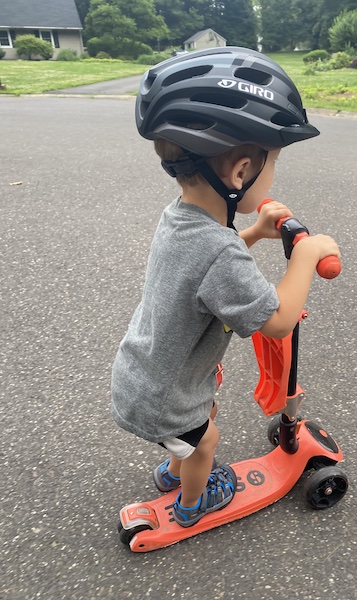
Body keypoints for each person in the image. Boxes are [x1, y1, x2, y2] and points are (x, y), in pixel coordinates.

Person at [111, 47, 340, 528]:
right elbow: (278, 322)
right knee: (205, 443)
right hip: (167, 395)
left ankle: (172, 473)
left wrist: (253, 233)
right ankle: (192, 503)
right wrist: (305, 255)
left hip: (146, 376)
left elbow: (206, 265)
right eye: (272, 162)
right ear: (240, 171)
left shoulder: (181, 219)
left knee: (196, 430)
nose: (273, 173)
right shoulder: (218, 252)